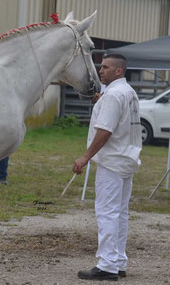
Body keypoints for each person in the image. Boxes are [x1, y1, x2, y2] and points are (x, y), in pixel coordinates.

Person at [73, 54, 142, 281]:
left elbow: (105, 130)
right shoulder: (128, 92)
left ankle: (108, 265)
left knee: (107, 212)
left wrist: (85, 157)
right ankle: (118, 261)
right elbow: (125, 124)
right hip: (126, 157)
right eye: (101, 67)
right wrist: (103, 100)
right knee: (120, 212)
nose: (100, 70)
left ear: (118, 71)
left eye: (105, 67)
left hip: (112, 160)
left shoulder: (113, 95)